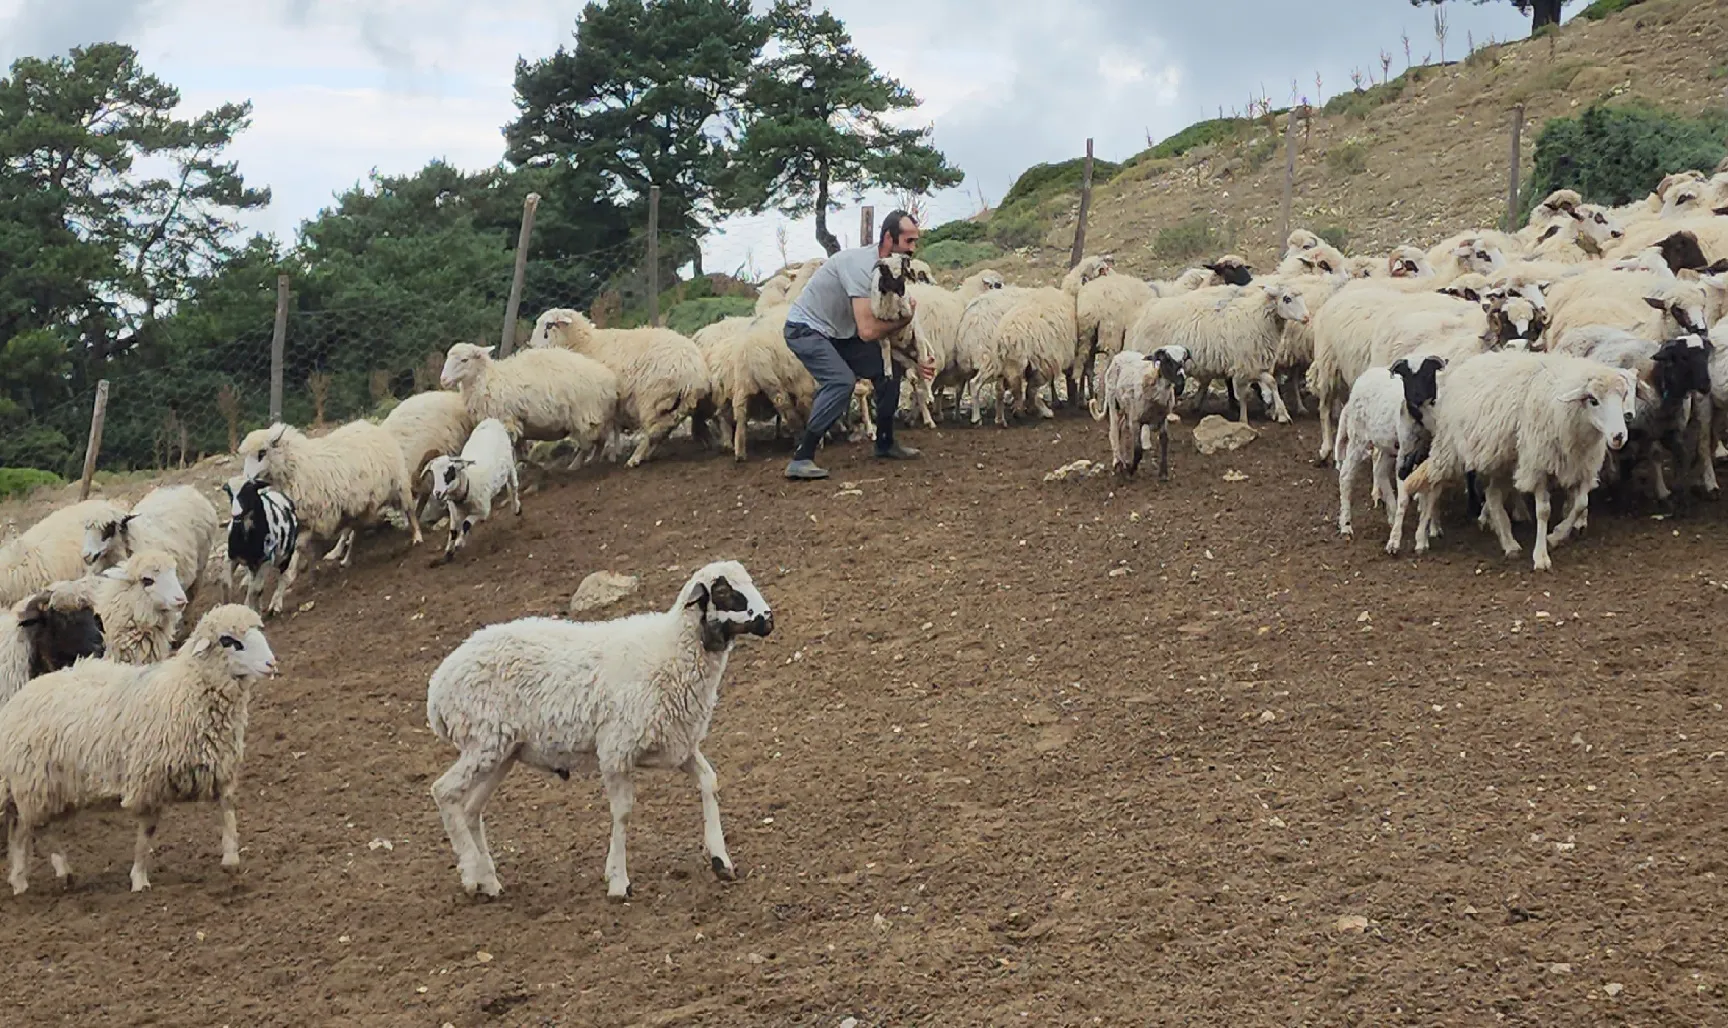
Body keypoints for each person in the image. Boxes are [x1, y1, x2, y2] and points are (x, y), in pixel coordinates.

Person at [780, 210, 936, 480]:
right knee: (841, 382)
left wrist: (914, 360)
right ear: (889, 238)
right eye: (908, 242)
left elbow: (892, 326)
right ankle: (802, 457)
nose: (913, 249)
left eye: (915, 242)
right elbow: (868, 331)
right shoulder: (861, 268)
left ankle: (885, 443)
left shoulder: (891, 270)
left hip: (839, 333)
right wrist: (905, 319)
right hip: (806, 329)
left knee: (889, 371)